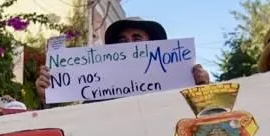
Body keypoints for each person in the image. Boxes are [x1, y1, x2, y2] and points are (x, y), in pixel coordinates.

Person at [34, 17, 212, 104]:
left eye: (137, 38)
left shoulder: (176, 86)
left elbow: (199, 118)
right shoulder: (98, 94)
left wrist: (203, 90)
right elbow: (77, 126)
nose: (129, 45)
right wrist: (49, 98)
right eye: (122, 41)